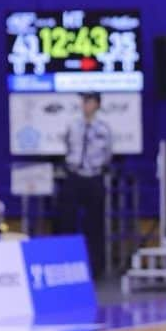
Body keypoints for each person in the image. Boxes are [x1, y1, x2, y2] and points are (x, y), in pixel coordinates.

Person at [59, 92, 113, 278]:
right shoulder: (73, 126)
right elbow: (67, 147)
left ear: (97, 104)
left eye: (89, 101)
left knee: (95, 225)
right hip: (74, 176)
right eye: (83, 101)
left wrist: (95, 166)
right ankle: (65, 264)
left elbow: (107, 153)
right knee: (67, 222)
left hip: (94, 177)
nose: (85, 105)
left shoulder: (104, 129)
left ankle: (96, 268)